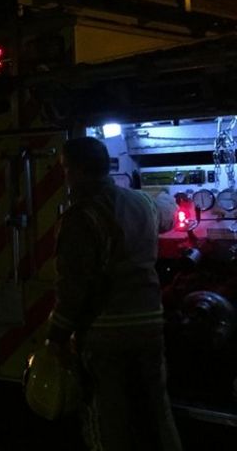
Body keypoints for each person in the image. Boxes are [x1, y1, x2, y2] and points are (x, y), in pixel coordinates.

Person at [46, 136, 182, 450]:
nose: (64, 176)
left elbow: (74, 286)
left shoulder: (80, 218)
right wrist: (167, 194)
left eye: (65, 169)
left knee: (107, 418)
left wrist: (57, 337)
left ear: (76, 171)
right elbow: (167, 211)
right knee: (158, 411)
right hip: (150, 326)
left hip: (106, 332)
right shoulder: (142, 203)